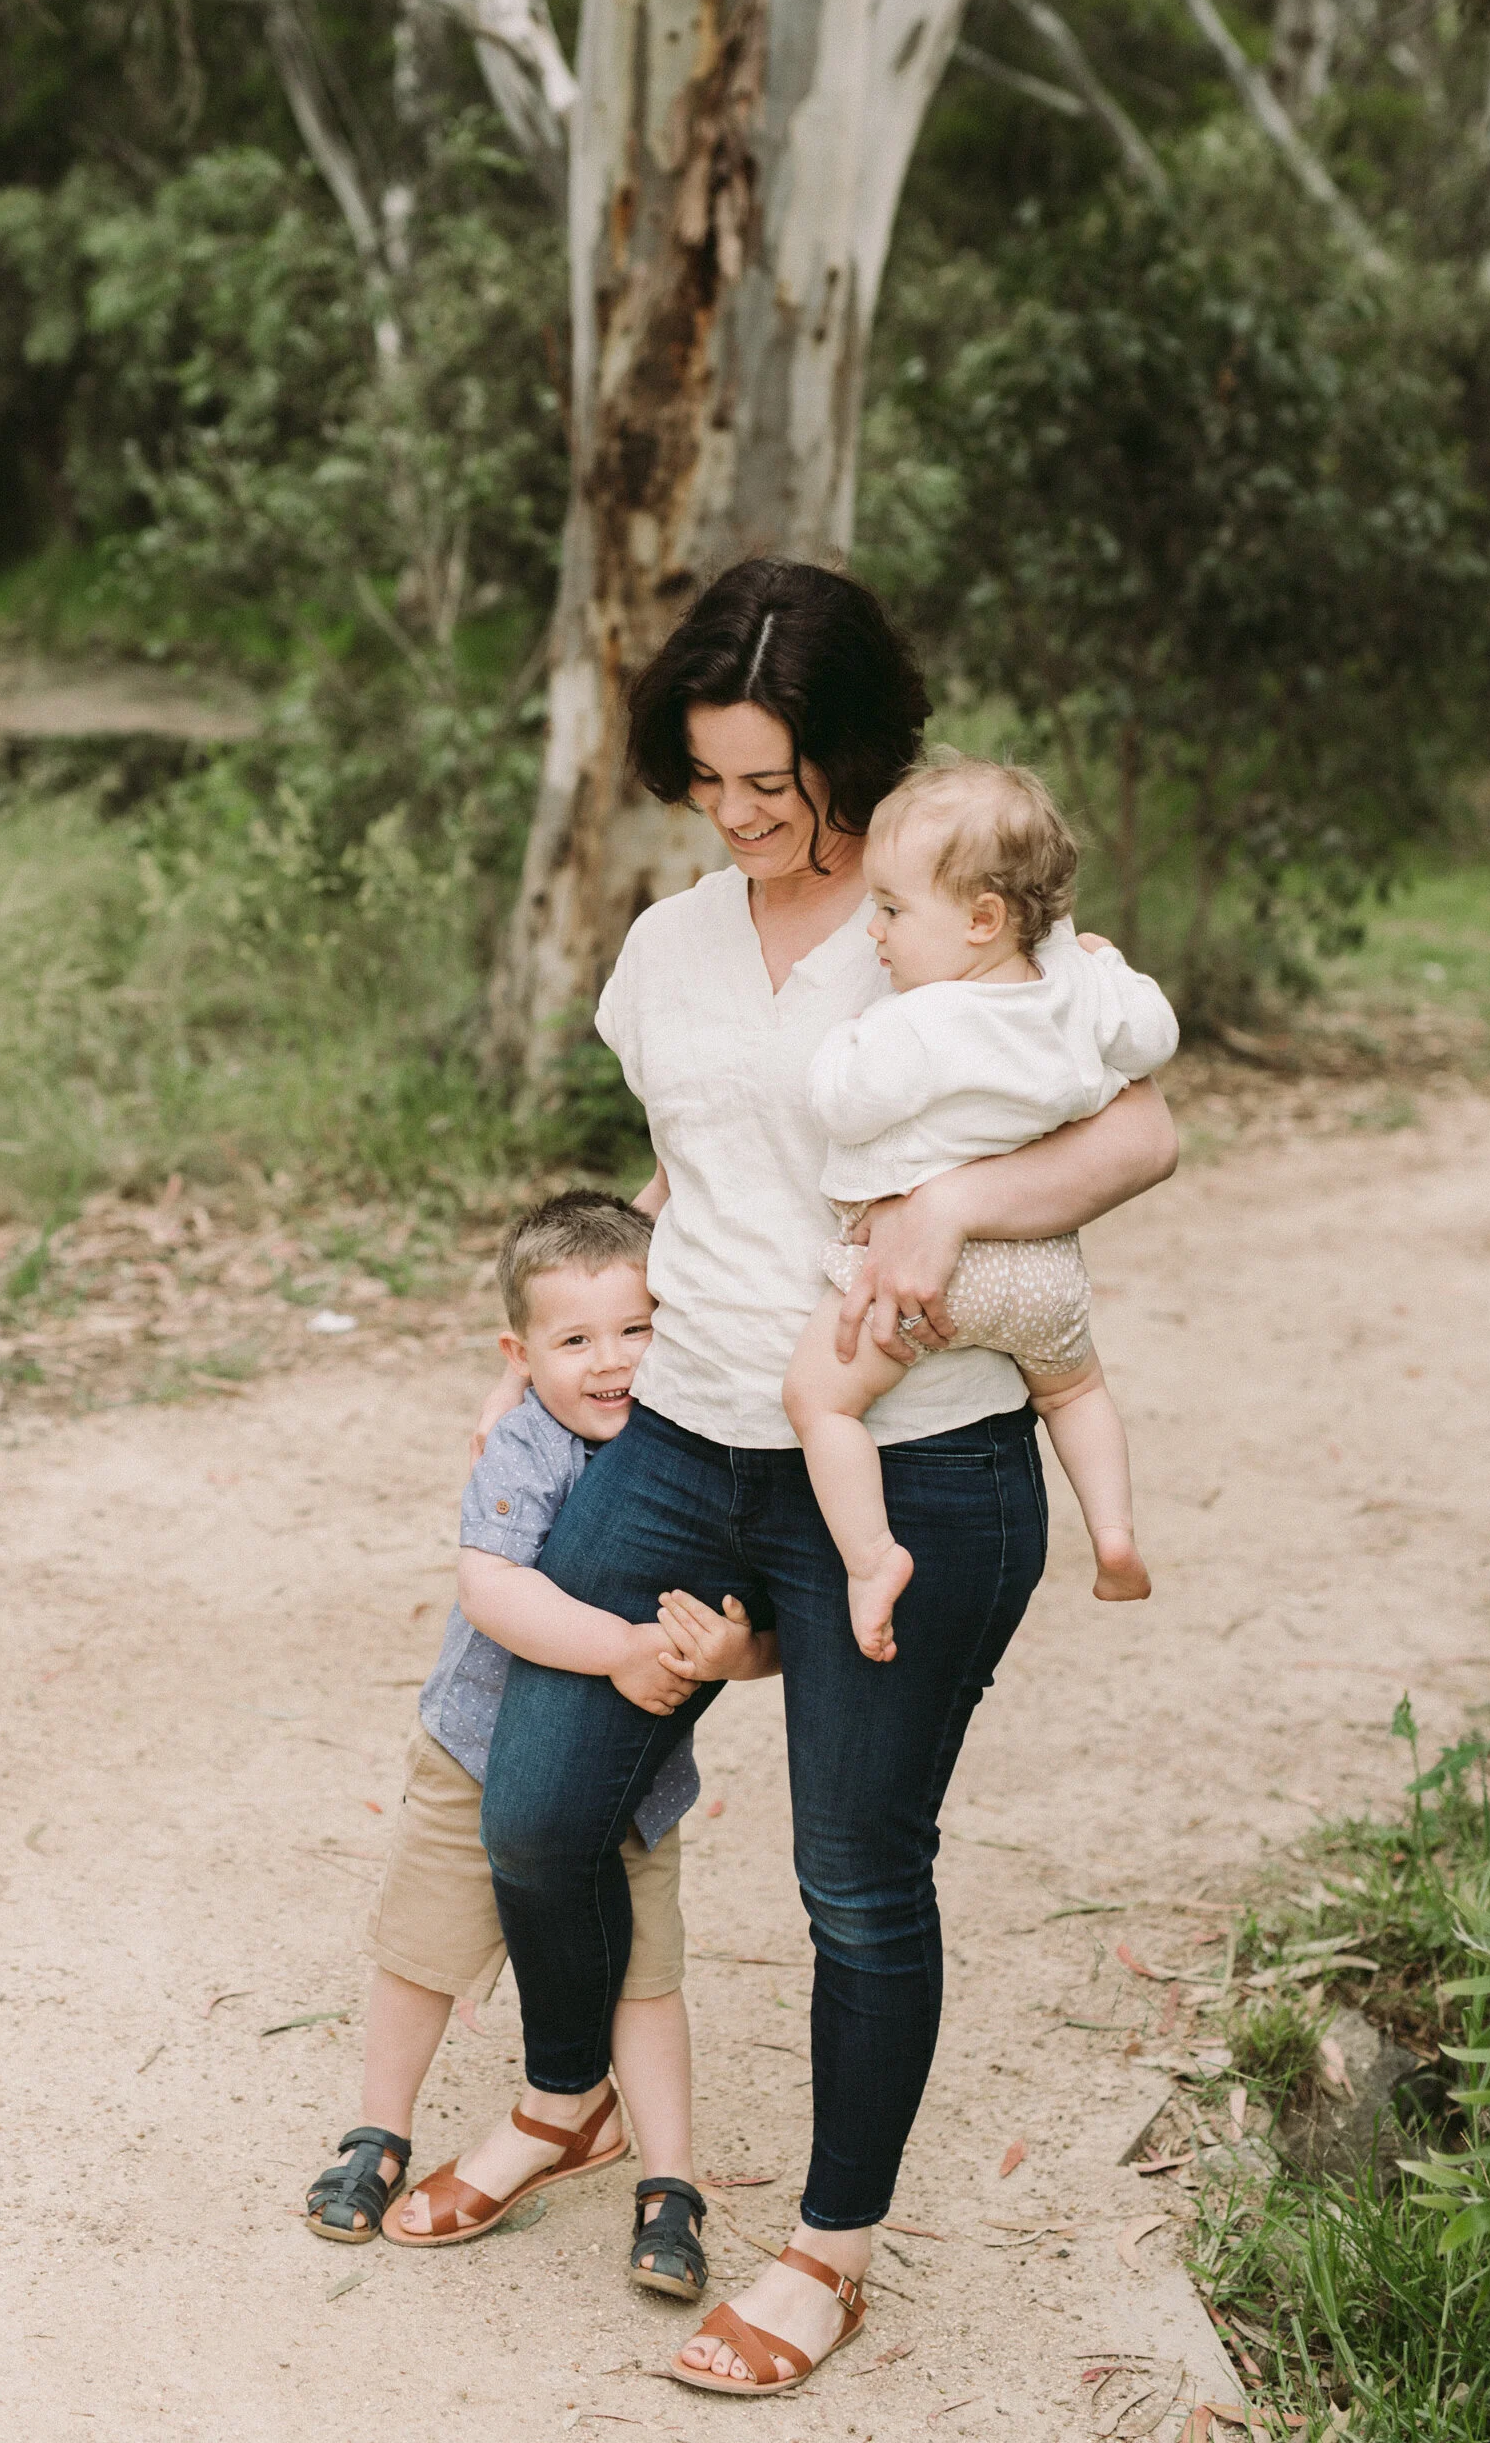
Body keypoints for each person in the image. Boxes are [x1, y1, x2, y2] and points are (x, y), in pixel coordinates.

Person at [440, 560, 1176, 2397]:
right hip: (682, 1425)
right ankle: (568, 2096)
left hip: (914, 1463)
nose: (745, 817)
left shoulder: (955, 919)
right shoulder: (669, 947)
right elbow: (691, 1171)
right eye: (709, 781)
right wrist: (537, 1368)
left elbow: (1141, 1129)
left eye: (777, 781)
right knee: (535, 1803)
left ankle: (826, 2253)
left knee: (855, 1873)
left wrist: (952, 1202)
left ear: (855, 756)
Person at [300, 1190, 775, 2302]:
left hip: (630, 1773)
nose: (609, 1363)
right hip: (475, 1741)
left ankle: (667, 2178)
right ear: (518, 1354)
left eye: (636, 1329)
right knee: (422, 1942)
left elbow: (755, 1625)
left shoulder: (697, 1455)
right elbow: (493, 1587)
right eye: (574, 1340)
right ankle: (378, 2128)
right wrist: (616, 1646)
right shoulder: (526, 1439)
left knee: (644, 1973)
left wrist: (729, 1649)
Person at [783, 752, 1178, 1663]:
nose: (873, 931)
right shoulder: (1072, 985)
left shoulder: (915, 1024)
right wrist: (1109, 969)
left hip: (921, 1274)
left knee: (819, 1402)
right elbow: (1152, 1037)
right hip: (1039, 1263)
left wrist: (842, 1041)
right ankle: (1113, 1535)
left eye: (890, 909)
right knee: (1075, 1388)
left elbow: (840, 1103)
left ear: (981, 920)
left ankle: (871, 1558)